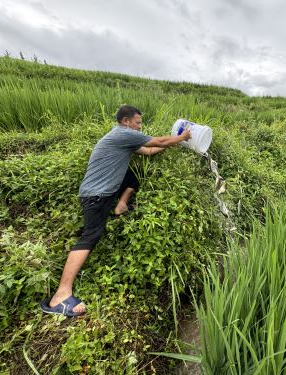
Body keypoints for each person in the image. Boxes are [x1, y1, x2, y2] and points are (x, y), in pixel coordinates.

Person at [40, 104, 191, 317]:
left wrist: (176, 142)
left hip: (102, 192)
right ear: (126, 121)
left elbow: (149, 150)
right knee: (90, 236)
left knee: (134, 177)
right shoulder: (122, 134)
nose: (140, 127)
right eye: (138, 122)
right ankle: (60, 295)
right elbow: (159, 141)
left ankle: (121, 206)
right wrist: (182, 136)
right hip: (96, 195)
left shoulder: (124, 139)